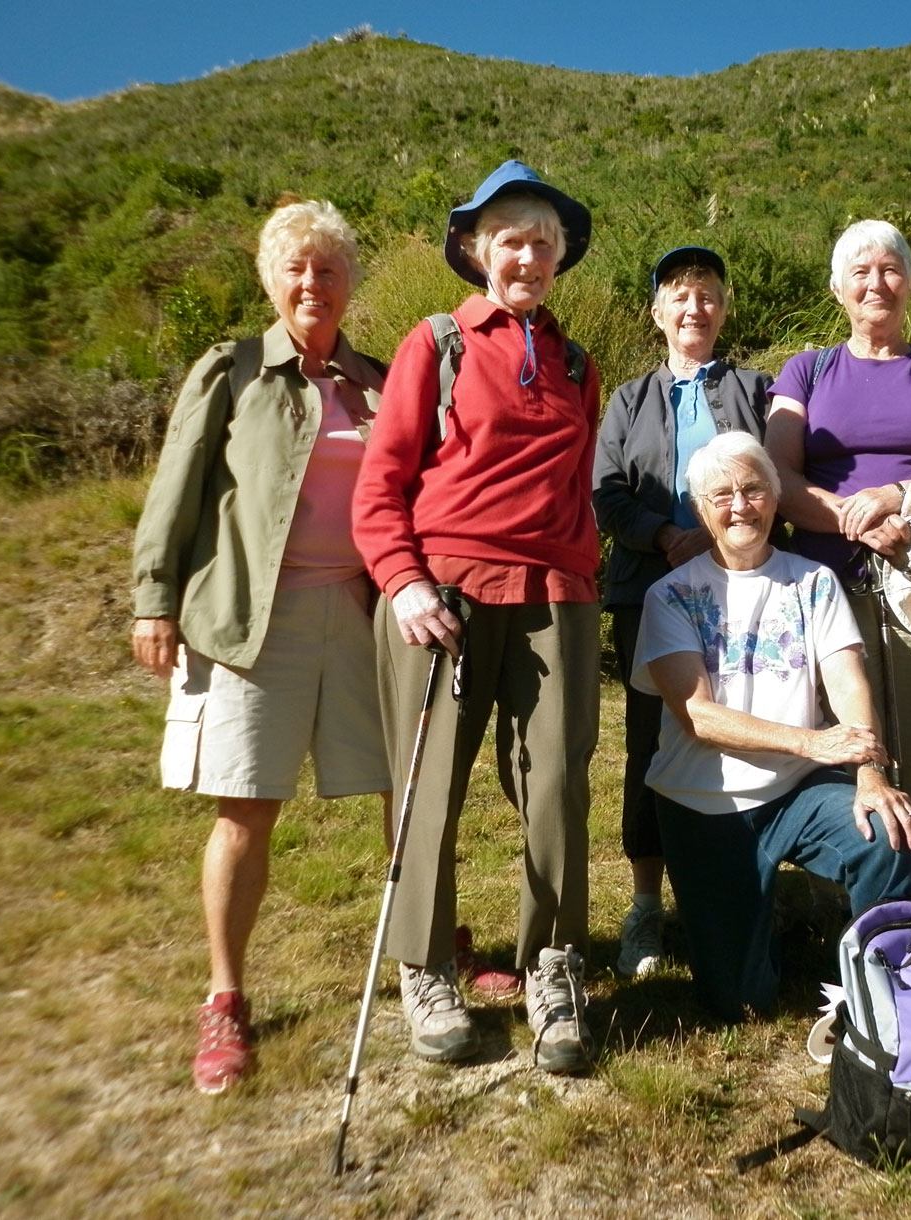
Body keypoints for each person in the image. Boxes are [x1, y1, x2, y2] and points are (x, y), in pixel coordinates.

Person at [131, 200, 391, 1094]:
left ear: (351, 283)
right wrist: (153, 598)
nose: (313, 283)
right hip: (251, 621)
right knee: (246, 807)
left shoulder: (378, 380)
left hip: (360, 617)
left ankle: (430, 948)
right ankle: (225, 997)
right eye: (297, 269)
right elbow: (177, 488)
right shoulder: (231, 370)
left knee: (408, 789)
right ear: (270, 280)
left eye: (329, 269)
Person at [352, 161, 601, 1074]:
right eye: (509, 240)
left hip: (555, 600)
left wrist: (581, 582)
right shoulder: (436, 343)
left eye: (542, 240)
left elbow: (576, 493)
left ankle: (555, 967)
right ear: (476, 251)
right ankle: (426, 969)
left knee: (557, 787)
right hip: (442, 596)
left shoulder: (578, 363)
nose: (527, 254)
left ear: (559, 255)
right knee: (429, 788)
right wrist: (403, 580)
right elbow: (382, 483)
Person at [634, 432, 911, 1022]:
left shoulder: (813, 582)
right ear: (701, 508)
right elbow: (697, 717)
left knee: (890, 837)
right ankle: (764, 915)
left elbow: (847, 682)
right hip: (703, 803)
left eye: (754, 489)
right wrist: (812, 742)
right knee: (739, 1002)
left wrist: (869, 773)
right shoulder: (670, 596)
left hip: (797, 791)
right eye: (724, 495)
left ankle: (881, 997)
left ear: (773, 497)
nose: (741, 505)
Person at [765, 219, 911, 905]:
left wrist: (897, 495)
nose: (876, 282)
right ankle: (845, 904)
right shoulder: (804, 371)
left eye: (890, 269)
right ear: (837, 289)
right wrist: (853, 519)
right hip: (824, 580)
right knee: (841, 738)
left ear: (910, 284)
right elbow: (778, 476)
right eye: (860, 272)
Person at [592, 246, 774, 979]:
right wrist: (664, 535)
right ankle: (644, 905)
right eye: (679, 295)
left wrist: (729, 536)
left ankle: (739, 889)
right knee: (651, 743)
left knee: (742, 727)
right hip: (650, 592)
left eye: (707, 295)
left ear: (723, 311)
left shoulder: (758, 390)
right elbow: (605, 492)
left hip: (745, 592)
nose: (693, 307)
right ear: (657, 313)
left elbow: (779, 478)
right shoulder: (629, 400)